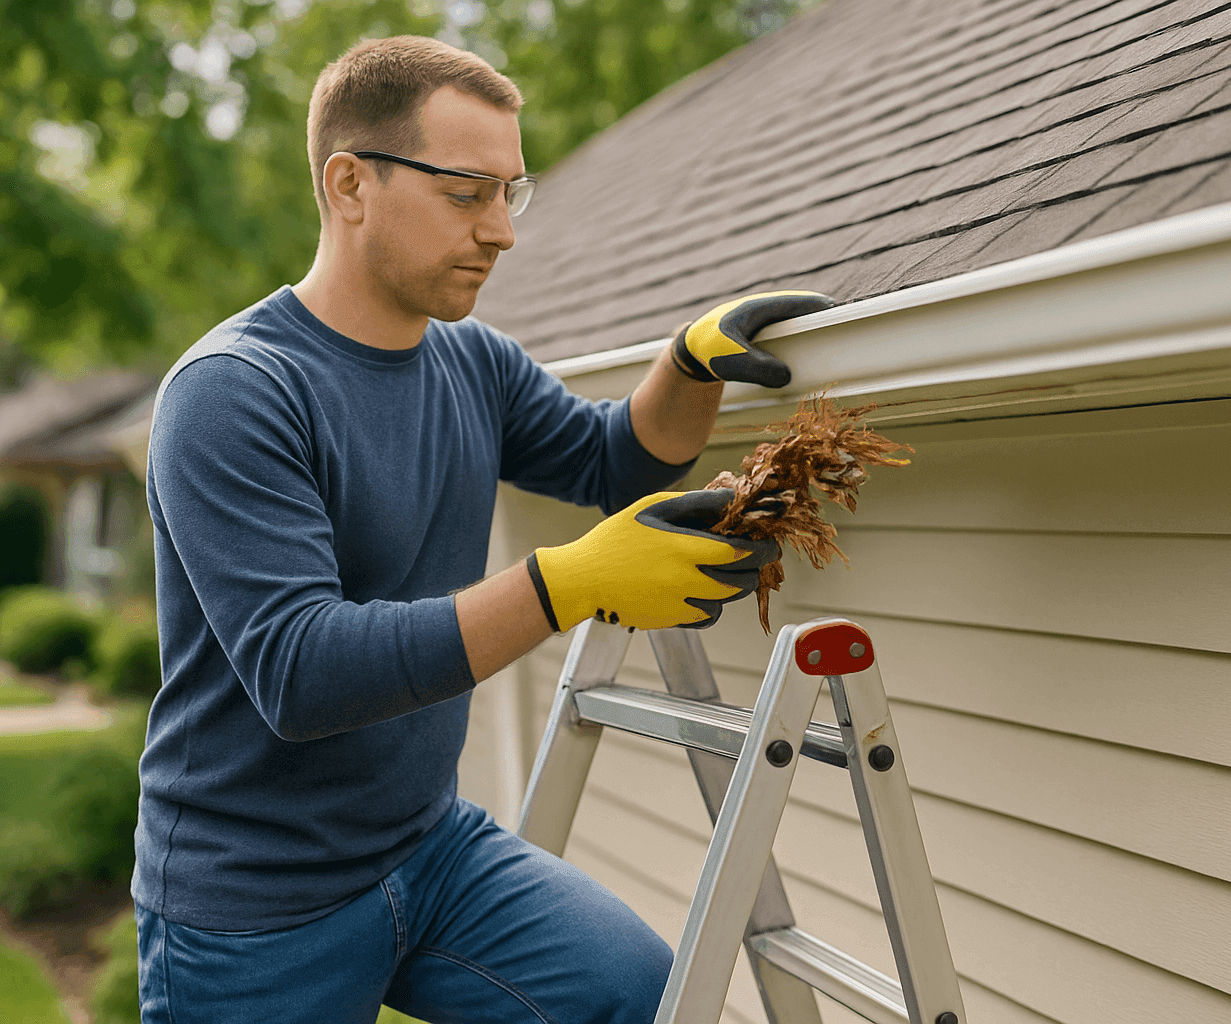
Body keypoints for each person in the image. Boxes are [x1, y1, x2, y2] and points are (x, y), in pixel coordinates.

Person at [133, 35, 832, 1024]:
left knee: (637, 993)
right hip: (256, 904)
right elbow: (300, 672)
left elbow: (611, 459)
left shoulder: (473, 364)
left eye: (512, 192)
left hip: (428, 850)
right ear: (349, 184)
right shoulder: (235, 392)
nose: (501, 231)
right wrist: (565, 584)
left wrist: (685, 367)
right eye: (468, 194)